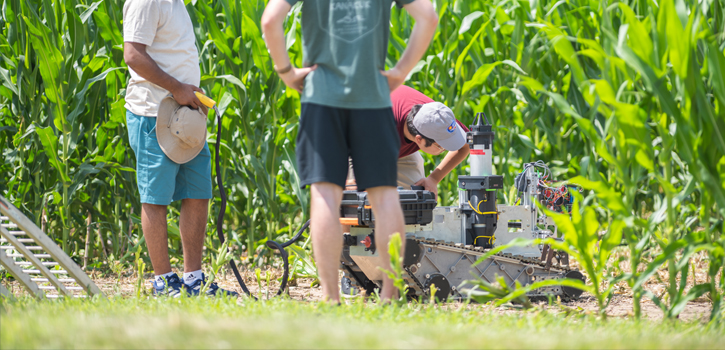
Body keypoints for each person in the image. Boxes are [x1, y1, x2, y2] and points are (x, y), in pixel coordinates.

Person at [261, 0, 438, 302]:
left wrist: (287, 71)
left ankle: (331, 297)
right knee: (384, 196)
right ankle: (390, 295)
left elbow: (270, 20)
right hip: (373, 98)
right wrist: (400, 72)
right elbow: (428, 17)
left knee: (325, 195)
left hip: (321, 99)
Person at [123, 0, 235, 297]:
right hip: (152, 114)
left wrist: (187, 92)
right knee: (155, 197)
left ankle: (193, 280)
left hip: (185, 116)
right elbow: (133, 55)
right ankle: (163, 282)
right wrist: (177, 87)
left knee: (198, 192)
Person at [347, 85, 470, 197]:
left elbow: (465, 145)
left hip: (393, 143)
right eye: (441, 146)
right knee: (357, 202)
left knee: (415, 198)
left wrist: (434, 178)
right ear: (419, 139)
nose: (445, 149)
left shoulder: (437, 116)